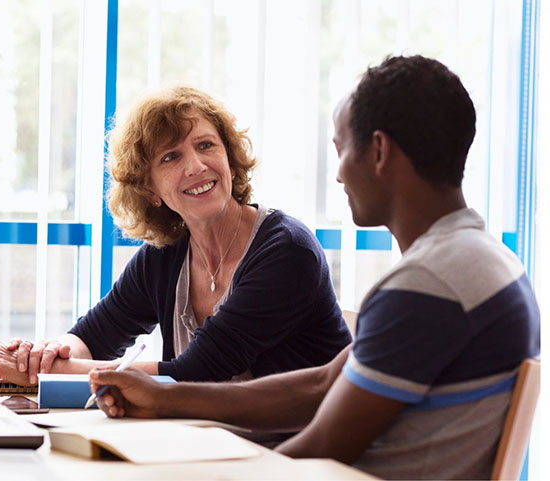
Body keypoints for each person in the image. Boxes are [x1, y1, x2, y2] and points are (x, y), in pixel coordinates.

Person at [87, 55, 541, 480]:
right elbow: (325, 382)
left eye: (341, 148)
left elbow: (324, 443)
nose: (340, 174)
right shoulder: (475, 261)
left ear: (379, 152)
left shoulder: (431, 285)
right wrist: (166, 396)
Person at [0, 86, 351, 386]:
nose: (196, 166)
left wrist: (41, 373)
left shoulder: (287, 251)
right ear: (150, 190)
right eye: (171, 157)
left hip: (296, 455)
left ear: (229, 158)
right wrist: (42, 356)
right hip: (209, 448)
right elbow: (93, 337)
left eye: (205, 146)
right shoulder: (165, 256)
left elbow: (196, 374)